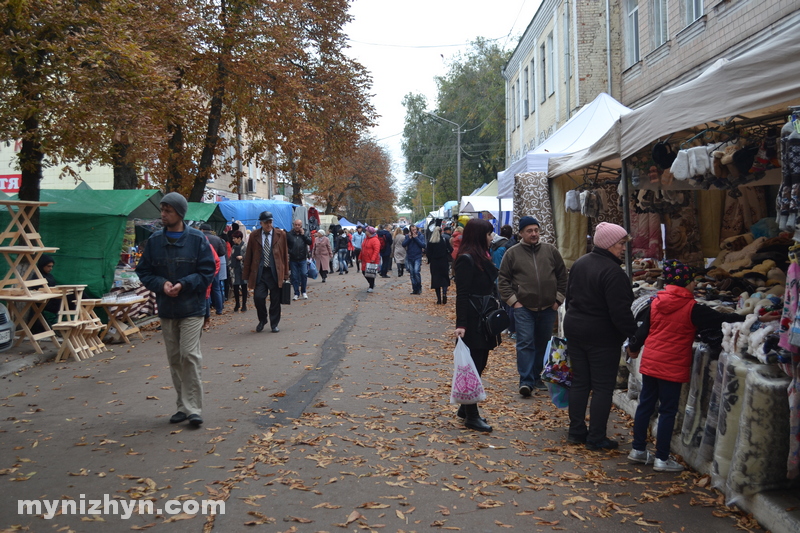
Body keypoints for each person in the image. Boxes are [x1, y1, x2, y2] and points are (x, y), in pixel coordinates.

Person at [628, 260, 746, 470]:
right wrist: (749, 318)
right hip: (671, 366)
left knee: (645, 405)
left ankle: (637, 450)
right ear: (685, 282)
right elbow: (721, 319)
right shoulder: (692, 308)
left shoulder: (655, 302)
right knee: (667, 410)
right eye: (692, 281)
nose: (694, 284)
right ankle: (661, 458)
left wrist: (634, 348)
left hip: (651, 363)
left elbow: (643, 331)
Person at [136, 192, 215, 427]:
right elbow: (144, 272)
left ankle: (193, 409)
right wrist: (162, 285)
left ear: (179, 213)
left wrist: (184, 284)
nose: (163, 214)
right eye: (162, 210)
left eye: (168, 210)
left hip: (192, 308)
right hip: (167, 308)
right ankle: (182, 406)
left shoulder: (198, 239)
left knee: (189, 355)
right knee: (174, 358)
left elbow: (206, 272)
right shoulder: (154, 241)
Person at [563, 222, 637, 450]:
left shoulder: (580, 263)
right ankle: (596, 437)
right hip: (601, 336)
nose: (623, 248)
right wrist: (634, 335)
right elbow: (620, 312)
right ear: (608, 244)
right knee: (603, 387)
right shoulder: (613, 272)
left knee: (580, 383)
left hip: (575, 329)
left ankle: (576, 431)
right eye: (621, 243)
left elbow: (570, 295)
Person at [498, 216, 567, 397]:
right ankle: (526, 381)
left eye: (536, 230)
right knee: (525, 343)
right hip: (524, 307)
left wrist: (558, 300)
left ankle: (538, 377)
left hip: (547, 307)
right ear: (521, 233)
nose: (534, 234)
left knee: (543, 343)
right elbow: (503, 280)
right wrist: (515, 303)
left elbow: (563, 276)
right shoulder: (512, 253)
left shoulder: (550, 251)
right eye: (529, 231)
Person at [454, 219, 501, 432]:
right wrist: (461, 324)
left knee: (480, 363)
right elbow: (461, 294)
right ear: (479, 235)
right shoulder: (466, 259)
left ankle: (466, 408)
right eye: (489, 234)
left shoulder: (482, 257)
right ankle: (472, 415)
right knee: (473, 366)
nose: (492, 237)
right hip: (473, 320)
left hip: (484, 317)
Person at [243, 211, 289, 333]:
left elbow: (284, 254)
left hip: (275, 272)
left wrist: (285, 274)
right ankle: (262, 319)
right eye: (266, 222)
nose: (269, 225)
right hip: (260, 273)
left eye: (270, 222)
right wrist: (246, 275)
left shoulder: (281, 234)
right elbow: (249, 256)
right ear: (261, 223)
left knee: (275, 300)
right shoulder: (254, 235)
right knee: (258, 297)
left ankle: (274, 324)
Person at [491, 225, 516, 339]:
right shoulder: (508, 246)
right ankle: (510, 328)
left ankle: (504, 326)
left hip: (497, 277)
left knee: (502, 303)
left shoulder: (494, 245)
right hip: (507, 277)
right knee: (510, 304)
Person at [200, 224, 227, 315]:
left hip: (204, 268)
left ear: (202, 230)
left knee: (206, 290)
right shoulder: (217, 239)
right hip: (215, 266)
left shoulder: (200, 239)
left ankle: (207, 310)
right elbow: (222, 252)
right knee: (217, 288)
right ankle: (219, 309)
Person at [286, 218, 312, 300]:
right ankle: (296, 293)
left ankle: (303, 291)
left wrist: (303, 235)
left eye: (299, 225)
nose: (297, 226)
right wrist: (290, 251)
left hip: (302, 258)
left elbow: (310, 242)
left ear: (301, 225)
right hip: (293, 259)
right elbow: (286, 245)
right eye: (295, 225)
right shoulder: (289, 234)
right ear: (293, 225)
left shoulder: (305, 232)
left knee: (304, 274)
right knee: (294, 276)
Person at [426, 227, 452, 304]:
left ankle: (439, 299)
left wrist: (430, 260)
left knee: (436, 280)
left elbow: (428, 254)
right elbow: (451, 250)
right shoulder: (444, 240)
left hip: (434, 263)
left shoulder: (430, 242)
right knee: (444, 278)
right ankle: (444, 293)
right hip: (443, 262)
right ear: (441, 232)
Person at [403, 224, 426, 294]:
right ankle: (414, 289)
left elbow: (423, 245)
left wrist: (416, 238)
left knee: (416, 271)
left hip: (417, 256)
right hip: (410, 256)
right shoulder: (407, 236)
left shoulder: (420, 236)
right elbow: (403, 244)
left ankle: (419, 287)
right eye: (412, 230)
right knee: (412, 273)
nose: (414, 231)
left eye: (415, 230)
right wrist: (409, 239)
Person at [230, 230, 247, 312]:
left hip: (243, 269)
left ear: (239, 238)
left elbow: (250, 257)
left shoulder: (245, 246)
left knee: (244, 287)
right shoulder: (233, 247)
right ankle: (237, 304)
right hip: (235, 269)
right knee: (235, 287)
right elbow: (231, 256)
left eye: (234, 238)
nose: (233, 240)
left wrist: (242, 257)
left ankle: (244, 304)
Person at [360, 226, 381, 293]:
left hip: (371, 259)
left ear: (370, 232)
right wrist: (360, 257)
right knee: (364, 272)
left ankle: (371, 286)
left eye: (366, 231)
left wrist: (373, 258)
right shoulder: (366, 239)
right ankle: (371, 284)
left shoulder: (375, 240)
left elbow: (376, 250)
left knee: (370, 273)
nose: (365, 232)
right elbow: (363, 249)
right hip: (365, 259)